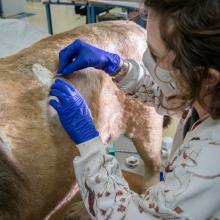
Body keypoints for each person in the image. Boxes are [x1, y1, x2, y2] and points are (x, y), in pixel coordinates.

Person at [49, 0, 220, 219]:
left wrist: (90, 145)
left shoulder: (209, 166)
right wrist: (117, 66)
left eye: (156, 56)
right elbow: (171, 92)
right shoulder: (207, 94)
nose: (147, 60)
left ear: (206, 77)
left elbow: (131, 216)